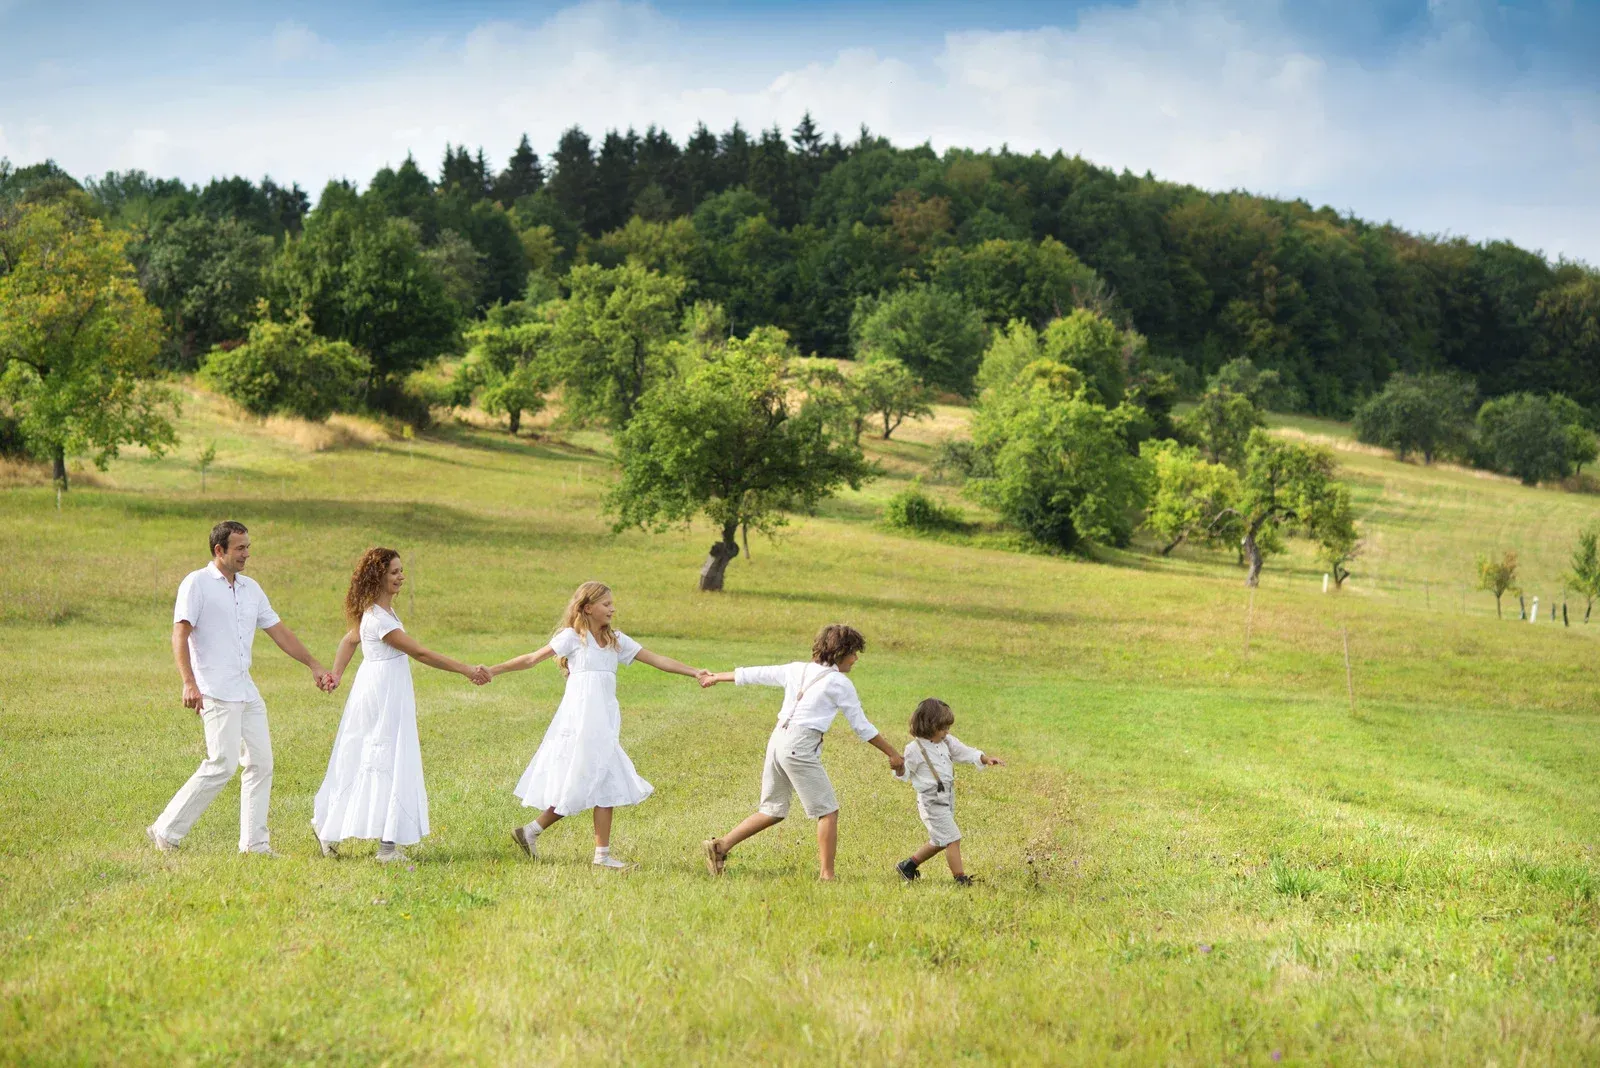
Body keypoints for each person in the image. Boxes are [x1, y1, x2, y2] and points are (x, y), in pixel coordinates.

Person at [147, 520, 334, 855]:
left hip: (246, 689)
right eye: (240, 548)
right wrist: (189, 682)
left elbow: (280, 632)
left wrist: (314, 665)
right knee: (222, 763)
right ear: (219, 550)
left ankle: (254, 844)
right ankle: (166, 830)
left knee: (261, 763)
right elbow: (180, 633)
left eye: (248, 547)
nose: (247, 554)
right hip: (214, 688)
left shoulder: (251, 589)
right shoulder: (197, 584)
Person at [490, 581, 705, 870]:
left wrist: (694, 672)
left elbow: (656, 659)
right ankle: (556, 840)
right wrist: (492, 670)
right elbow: (531, 659)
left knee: (603, 781)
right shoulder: (572, 638)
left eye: (612, 604)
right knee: (592, 779)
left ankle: (547, 837)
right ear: (587, 608)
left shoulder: (616, 640)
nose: (612, 609)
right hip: (580, 722)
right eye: (606, 604)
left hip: (603, 722)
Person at [311, 548, 491, 863]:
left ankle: (333, 829)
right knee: (383, 759)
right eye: (394, 572)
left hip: (386, 690)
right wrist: (466, 670)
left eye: (401, 571)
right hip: (381, 695)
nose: (400, 577)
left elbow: (349, 640)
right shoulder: (378, 618)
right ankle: (383, 848)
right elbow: (421, 653)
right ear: (377, 576)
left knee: (371, 757)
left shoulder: (380, 613)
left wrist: (337, 674)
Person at [698, 624, 904, 881]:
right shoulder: (840, 683)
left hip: (777, 740)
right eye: (853, 652)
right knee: (827, 811)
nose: (856, 658)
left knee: (773, 809)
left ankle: (720, 847)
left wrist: (717, 676)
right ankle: (827, 876)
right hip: (800, 745)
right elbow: (862, 727)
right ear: (840, 653)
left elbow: (757, 673)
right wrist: (893, 754)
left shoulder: (797, 668)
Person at [892, 698, 1003, 885]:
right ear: (929, 725)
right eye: (943, 728)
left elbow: (964, 751)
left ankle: (907, 866)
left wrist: (984, 759)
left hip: (948, 797)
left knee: (940, 840)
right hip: (930, 801)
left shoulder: (947, 742)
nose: (947, 732)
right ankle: (960, 879)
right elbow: (905, 774)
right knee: (953, 838)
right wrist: (898, 768)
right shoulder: (914, 749)